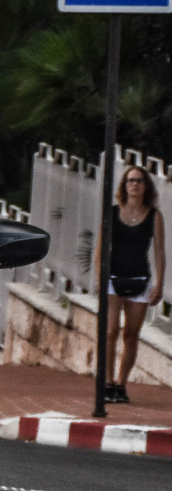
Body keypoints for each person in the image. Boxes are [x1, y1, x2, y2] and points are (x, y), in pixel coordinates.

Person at [94, 165, 166, 403]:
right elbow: (101, 248)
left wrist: (159, 282)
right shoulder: (112, 213)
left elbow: (159, 251)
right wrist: (99, 278)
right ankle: (106, 381)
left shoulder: (154, 216)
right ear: (124, 186)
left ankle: (120, 384)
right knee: (110, 330)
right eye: (130, 180)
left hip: (140, 280)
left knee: (131, 334)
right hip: (113, 279)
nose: (134, 184)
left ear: (146, 186)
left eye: (139, 181)